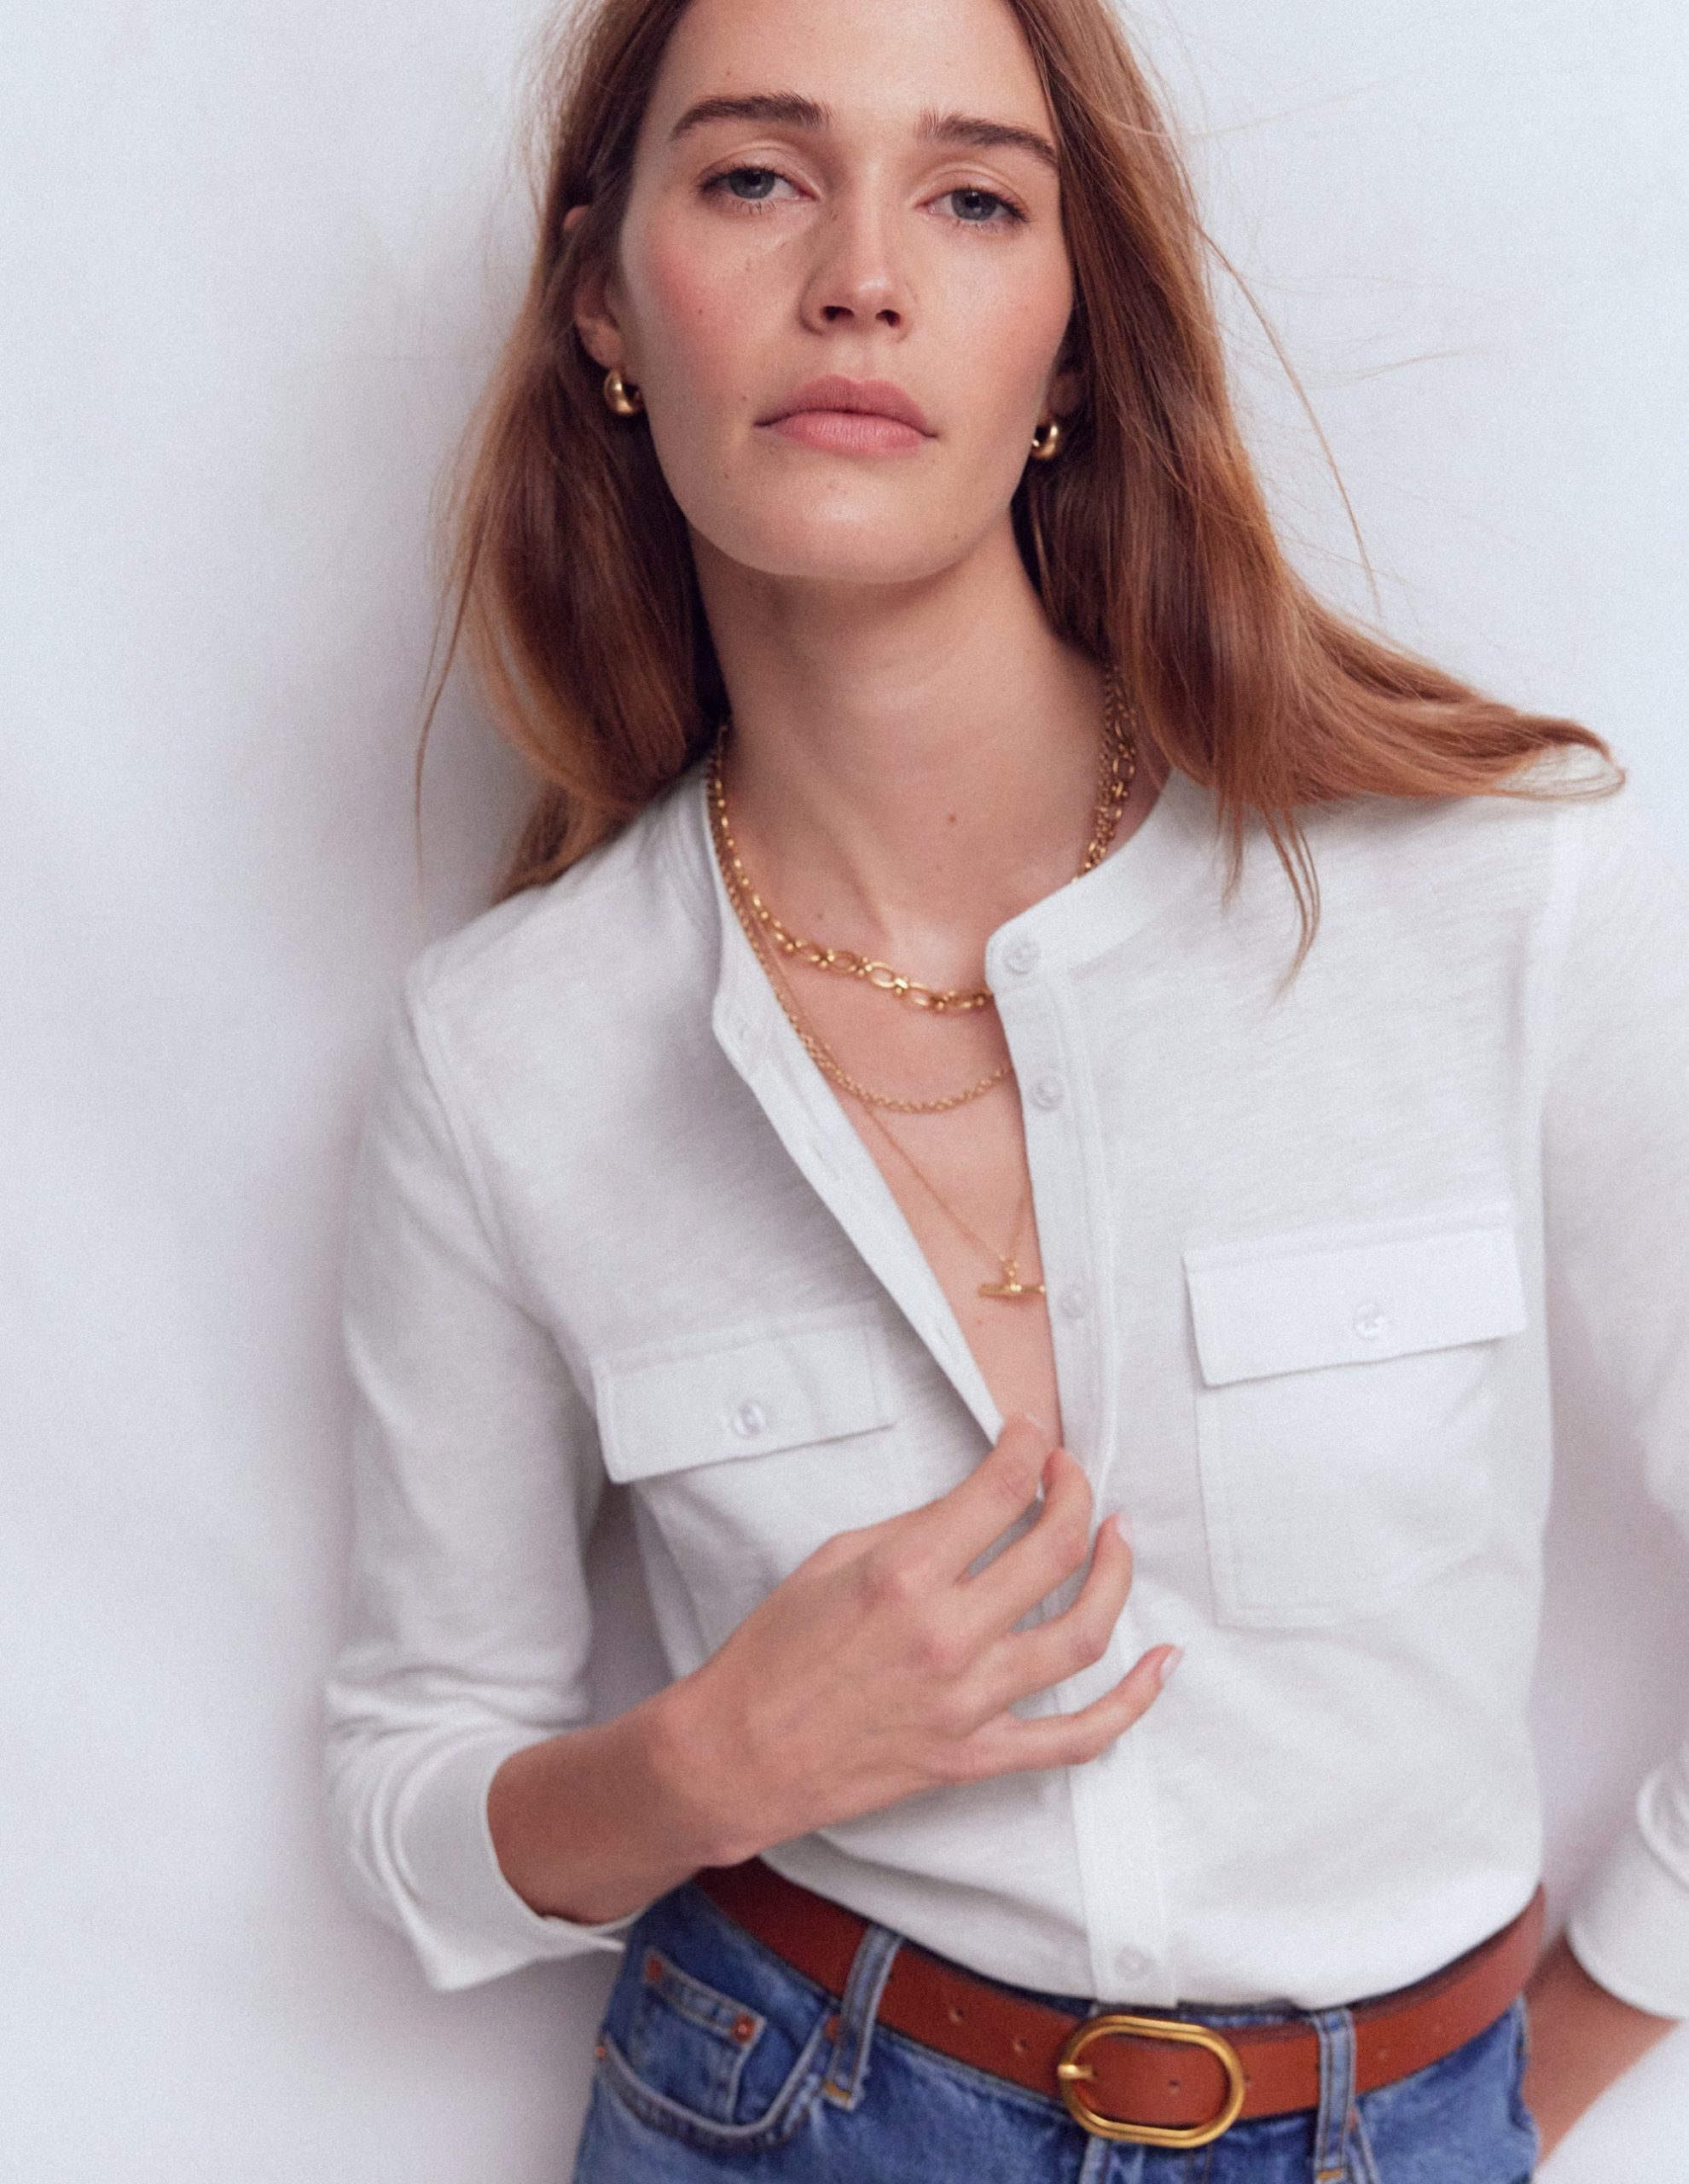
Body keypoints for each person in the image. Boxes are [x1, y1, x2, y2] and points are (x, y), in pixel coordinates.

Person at [321, 0, 1689, 2174]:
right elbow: (413, 1780)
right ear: (604, 299)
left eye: (971, 198)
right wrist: (706, 1760)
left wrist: (1533, 2077)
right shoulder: (507, 1054)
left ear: (1070, 342)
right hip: (777, 2106)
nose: (861, 274)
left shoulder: (1497, 892)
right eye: (754, 176)